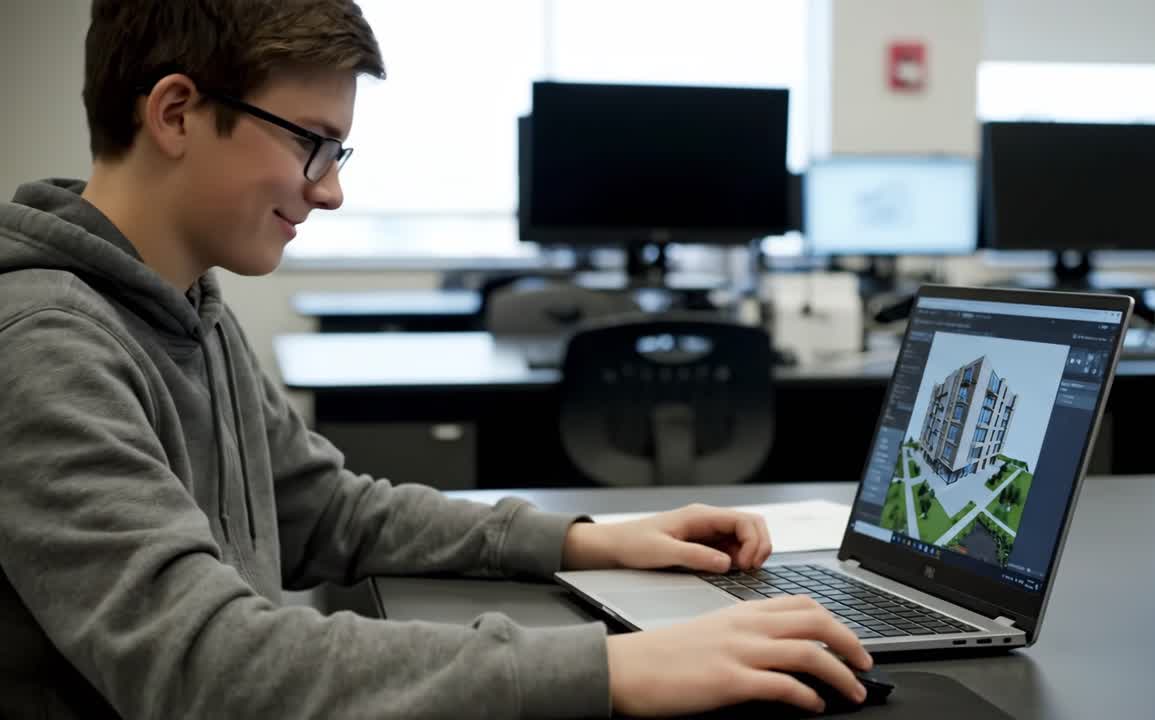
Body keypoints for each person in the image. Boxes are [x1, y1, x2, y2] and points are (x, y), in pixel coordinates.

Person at [0, 1, 872, 717]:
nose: (331, 189)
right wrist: (611, 669)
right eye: (311, 142)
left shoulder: (190, 308)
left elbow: (328, 513)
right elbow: (207, 664)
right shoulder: (45, 344)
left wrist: (587, 541)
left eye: (337, 152)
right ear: (177, 112)